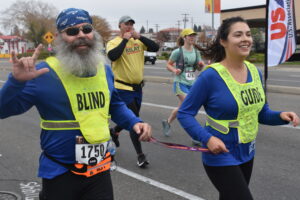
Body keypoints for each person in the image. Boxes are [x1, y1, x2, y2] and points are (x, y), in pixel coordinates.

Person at [0, 8, 152, 200]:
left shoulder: (103, 70)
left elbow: (114, 105)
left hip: (99, 170)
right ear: (59, 37)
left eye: (86, 29)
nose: (81, 35)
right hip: (60, 172)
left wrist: (134, 122)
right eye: (72, 31)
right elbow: (2, 110)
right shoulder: (41, 73)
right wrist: (16, 82)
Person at [177, 17, 299, 200]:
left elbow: (262, 113)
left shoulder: (255, 72)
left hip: (247, 152)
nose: (246, 39)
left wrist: (281, 116)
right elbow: (184, 113)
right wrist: (207, 138)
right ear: (223, 41)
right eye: (238, 34)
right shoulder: (210, 76)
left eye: (248, 34)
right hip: (220, 153)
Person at [106, 15, 159, 168]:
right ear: (120, 26)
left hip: (137, 88)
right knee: (135, 119)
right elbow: (113, 56)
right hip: (122, 87)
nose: (129, 26)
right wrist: (125, 40)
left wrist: (140, 37)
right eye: (126, 24)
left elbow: (155, 48)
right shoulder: (114, 42)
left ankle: (114, 131)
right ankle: (140, 155)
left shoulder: (138, 41)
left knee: (130, 117)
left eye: (131, 24)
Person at [161, 28, 204, 140]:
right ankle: (195, 135)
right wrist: (174, 70)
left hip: (192, 83)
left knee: (182, 108)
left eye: (193, 36)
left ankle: (167, 122)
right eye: (190, 36)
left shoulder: (196, 52)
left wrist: (200, 65)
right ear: (184, 37)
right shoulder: (178, 52)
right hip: (180, 82)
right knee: (190, 106)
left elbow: (198, 67)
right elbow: (168, 65)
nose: (192, 38)